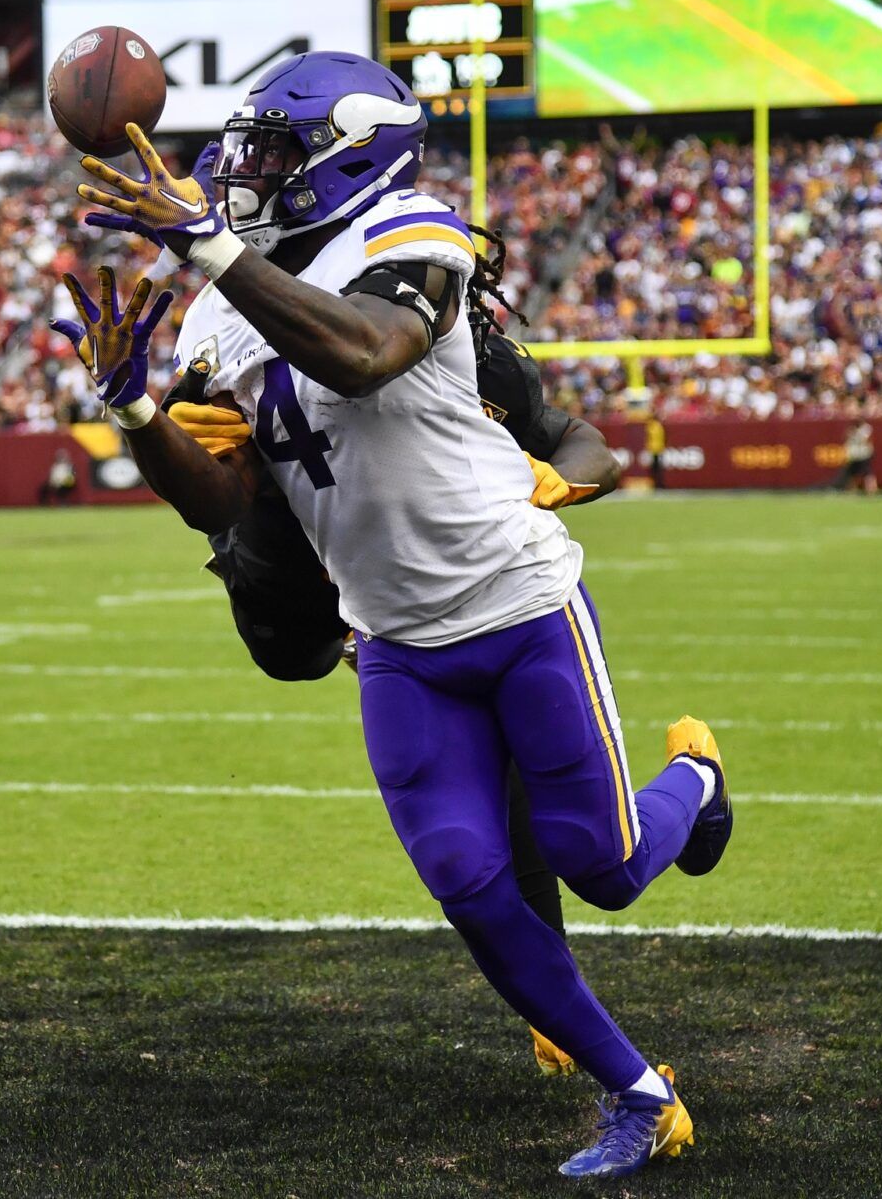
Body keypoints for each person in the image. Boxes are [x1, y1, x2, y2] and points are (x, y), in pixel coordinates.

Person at [57, 56, 726, 1179]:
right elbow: (221, 504)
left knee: (598, 866)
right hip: (396, 643)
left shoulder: (413, 234)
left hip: (516, 605)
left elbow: (366, 355)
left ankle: (696, 779)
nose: (245, 173)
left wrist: (204, 247)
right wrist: (134, 414)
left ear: (355, 154)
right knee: (469, 878)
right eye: (246, 150)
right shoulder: (221, 307)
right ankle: (641, 1094)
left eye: (276, 152)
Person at [162, 289, 620, 1077]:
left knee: (509, 788)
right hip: (299, 588)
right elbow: (200, 461)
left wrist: (557, 477)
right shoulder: (265, 343)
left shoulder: (477, 367)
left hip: (422, 597)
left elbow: (578, 438)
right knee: (301, 653)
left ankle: (556, 998)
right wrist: (167, 421)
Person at [841, 421, 877, 494]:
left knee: (867, 473)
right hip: (854, 455)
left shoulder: (866, 428)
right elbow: (846, 438)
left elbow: (867, 441)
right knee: (852, 474)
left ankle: (871, 490)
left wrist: (858, 435)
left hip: (864, 454)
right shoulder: (852, 429)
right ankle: (852, 491)